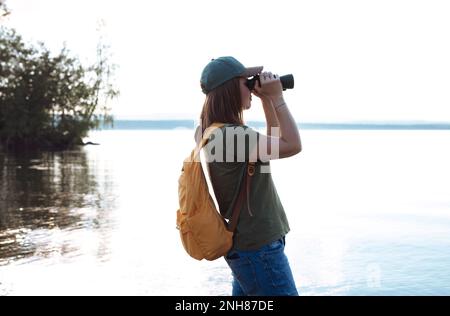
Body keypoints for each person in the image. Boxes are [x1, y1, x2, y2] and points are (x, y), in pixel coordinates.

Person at [197, 56, 302, 296]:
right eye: (246, 82)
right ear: (230, 88)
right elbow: (293, 144)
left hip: (252, 248)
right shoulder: (231, 136)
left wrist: (266, 101)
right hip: (259, 251)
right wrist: (277, 98)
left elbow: (270, 152)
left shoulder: (218, 132)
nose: (251, 87)